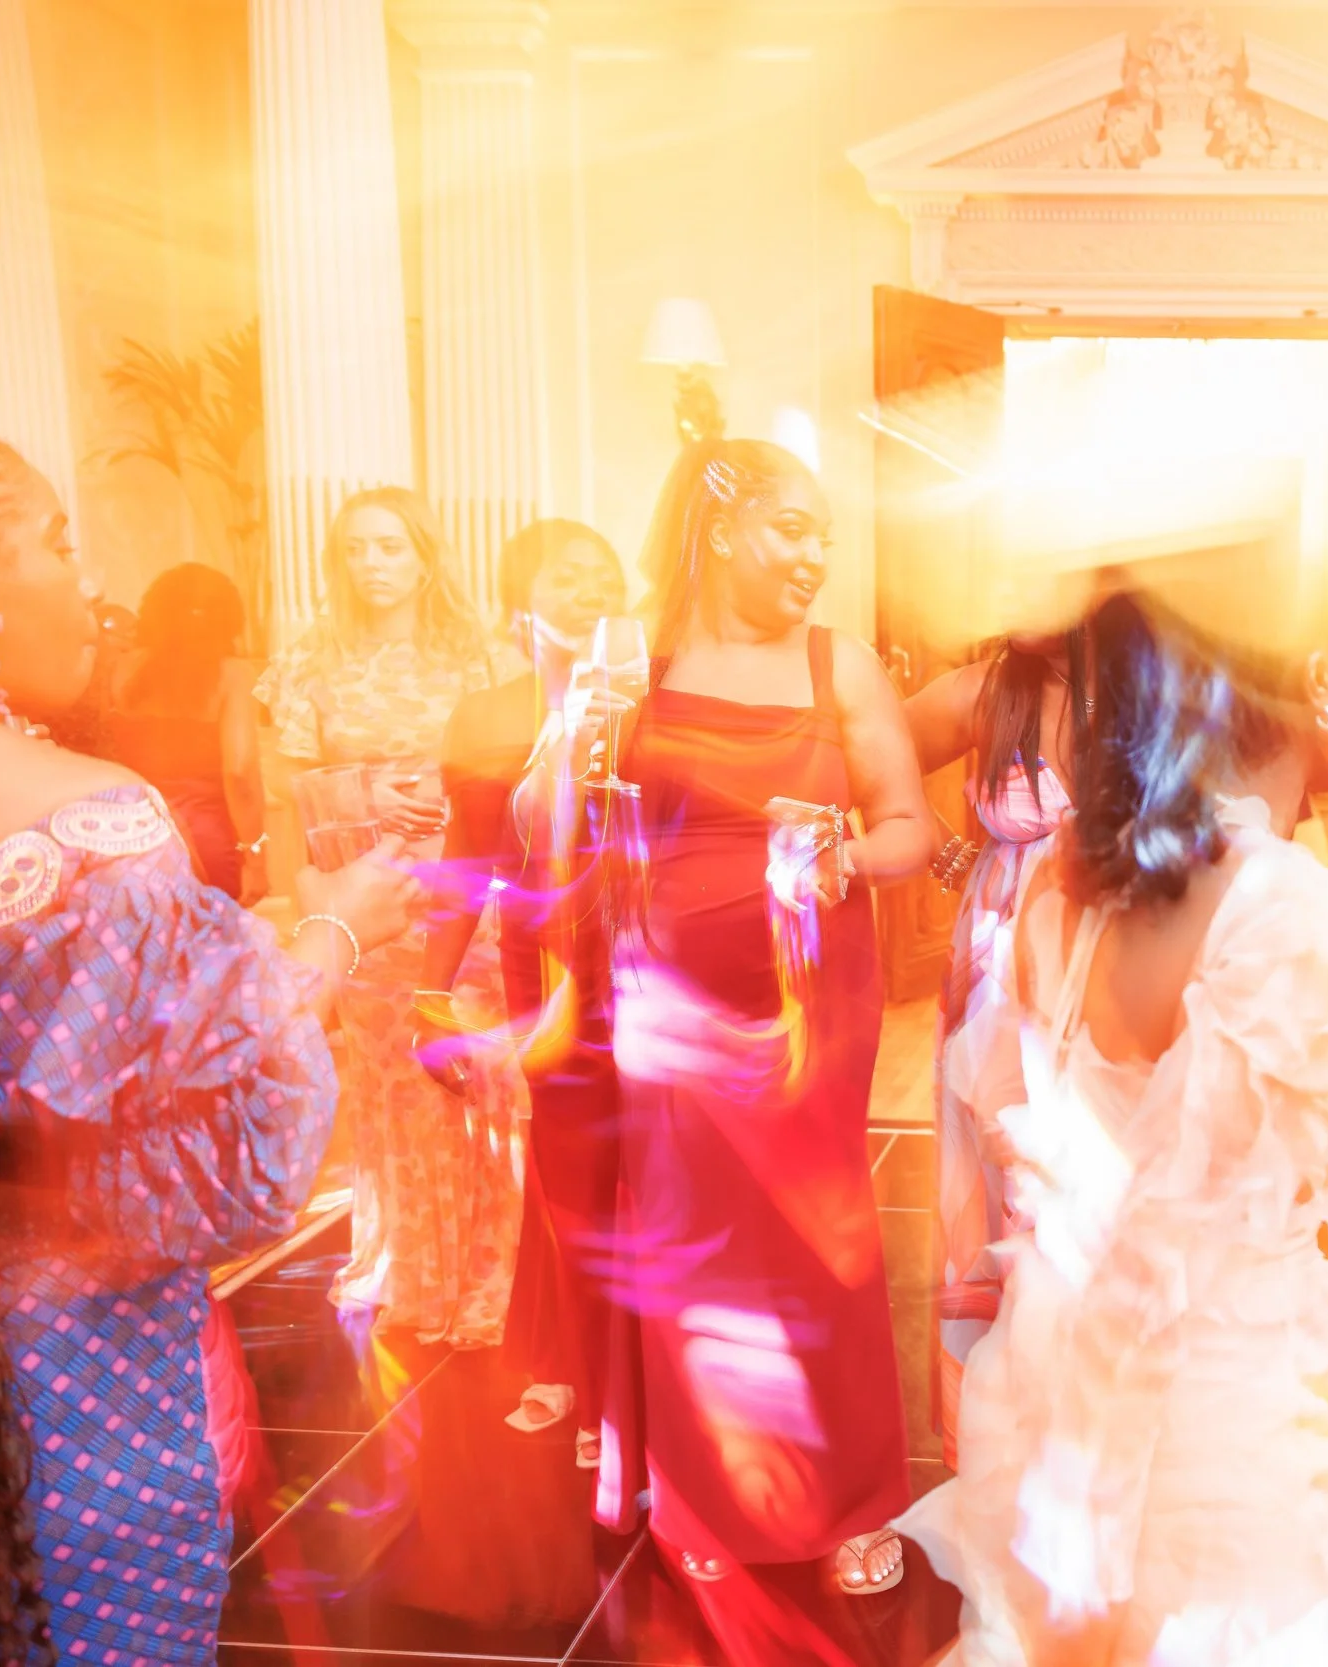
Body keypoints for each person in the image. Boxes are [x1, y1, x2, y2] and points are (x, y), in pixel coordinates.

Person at [0, 411, 418, 1664]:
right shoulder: (86, 828)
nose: (88, 585)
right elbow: (233, 1165)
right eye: (56, 540)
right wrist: (331, 937)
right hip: (71, 1402)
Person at [897, 571, 1328, 1665]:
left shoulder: (1063, 876)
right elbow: (1179, 1240)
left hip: (1053, 1353)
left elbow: (1019, 1113)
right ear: (1321, 677)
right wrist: (1091, 1510)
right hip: (1194, 1412)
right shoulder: (1279, 908)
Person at [597, 439, 933, 1625]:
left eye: (825, 534)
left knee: (816, 1237)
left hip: (806, 995)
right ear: (721, 526)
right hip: (669, 998)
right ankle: (708, 1498)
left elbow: (909, 825)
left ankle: (850, 1501)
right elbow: (573, 827)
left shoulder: (841, 665)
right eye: (793, 528)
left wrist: (842, 858)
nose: (815, 554)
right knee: (691, 1243)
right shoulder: (635, 663)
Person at [255, 487, 527, 1346]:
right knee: (392, 1085)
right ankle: (413, 1268)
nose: (372, 563)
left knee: (472, 1068)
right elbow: (278, 789)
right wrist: (314, 877)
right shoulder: (309, 661)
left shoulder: (479, 656)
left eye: (389, 546)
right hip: (364, 895)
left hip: (462, 889)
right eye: (356, 548)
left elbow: (517, 766)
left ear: (423, 556)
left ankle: (493, 1274)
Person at [418, 519, 630, 1462]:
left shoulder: (650, 702)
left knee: (651, 1167)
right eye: (567, 573)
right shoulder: (486, 717)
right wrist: (430, 998)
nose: (590, 587)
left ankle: (645, 1382)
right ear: (521, 600)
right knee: (575, 1169)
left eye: (603, 572)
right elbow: (467, 862)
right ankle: (594, 1386)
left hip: (645, 957)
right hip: (544, 963)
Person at [903, 628, 1084, 1466]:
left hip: (1099, 966)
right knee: (992, 1185)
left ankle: (1078, 1433)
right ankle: (998, 1435)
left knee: (1077, 1191)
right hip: (996, 972)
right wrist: (946, 850)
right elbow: (872, 755)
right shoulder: (983, 691)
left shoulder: (1143, 692)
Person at [101, 562, 268, 902]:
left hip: (137, 841)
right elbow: (239, 772)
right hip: (208, 843)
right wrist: (255, 857)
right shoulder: (234, 675)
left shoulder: (121, 668)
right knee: (214, 935)